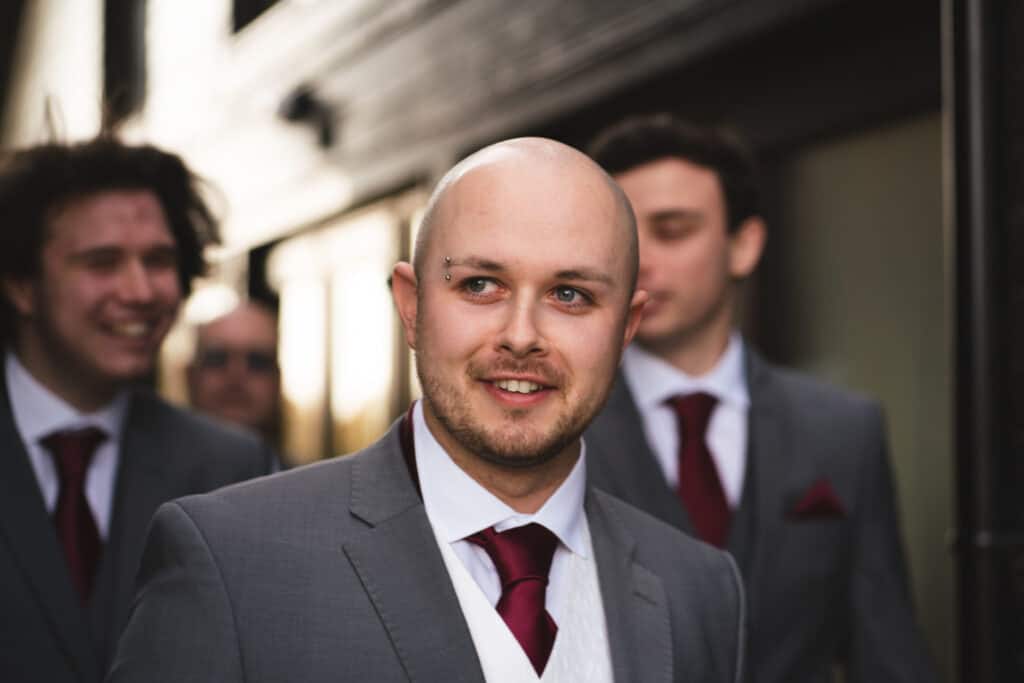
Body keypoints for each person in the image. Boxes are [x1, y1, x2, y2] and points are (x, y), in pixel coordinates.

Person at [108, 138, 746, 682]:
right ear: (411, 306)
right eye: (479, 285)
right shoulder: (230, 559)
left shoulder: (699, 587)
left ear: (626, 327)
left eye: (571, 294)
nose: (521, 334)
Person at [584, 114, 936, 683]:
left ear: (744, 246)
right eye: (621, 236)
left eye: (672, 230)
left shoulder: (843, 432)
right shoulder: (561, 428)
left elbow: (888, 654)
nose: (639, 259)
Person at [0, 136, 276, 683]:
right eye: (102, 262)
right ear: (22, 284)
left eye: (159, 260)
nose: (140, 290)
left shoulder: (231, 469)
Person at [187, 300, 282, 446]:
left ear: (277, 379)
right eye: (217, 358)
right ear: (191, 376)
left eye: (256, 361)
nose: (236, 374)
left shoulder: (311, 469)